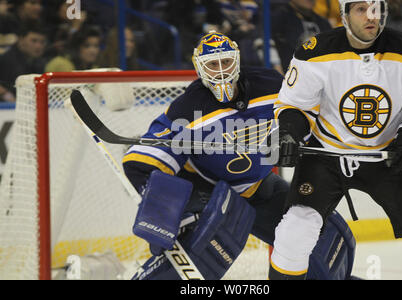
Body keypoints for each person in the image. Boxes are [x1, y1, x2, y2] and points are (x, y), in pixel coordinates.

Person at [122, 31, 356, 280]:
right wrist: (165, 210)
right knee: (187, 261)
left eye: (226, 62)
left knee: (316, 241)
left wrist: (298, 135)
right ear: (199, 68)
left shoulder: (270, 84)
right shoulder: (187, 107)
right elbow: (144, 162)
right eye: (213, 64)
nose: (221, 71)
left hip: (258, 187)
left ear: (237, 60)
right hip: (207, 193)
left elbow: (308, 115)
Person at [269, 0, 402, 280]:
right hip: (327, 153)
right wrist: (289, 132)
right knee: (294, 231)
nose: (371, 16)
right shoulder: (315, 51)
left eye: (376, 9)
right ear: (344, 15)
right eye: (361, 9)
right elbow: (294, 106)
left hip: (388, 156)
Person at [271, 0, 332, 73]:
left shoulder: (324, 23)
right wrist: (276, 67)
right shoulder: (277, 18)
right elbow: (264, 44)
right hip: (290, 78)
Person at [0, 21, 46, 102]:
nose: (38, 46)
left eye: (42, 42)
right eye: (34, 41)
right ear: (21, 40)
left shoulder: (39, 62)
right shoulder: (5, 60)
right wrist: (6, 95)